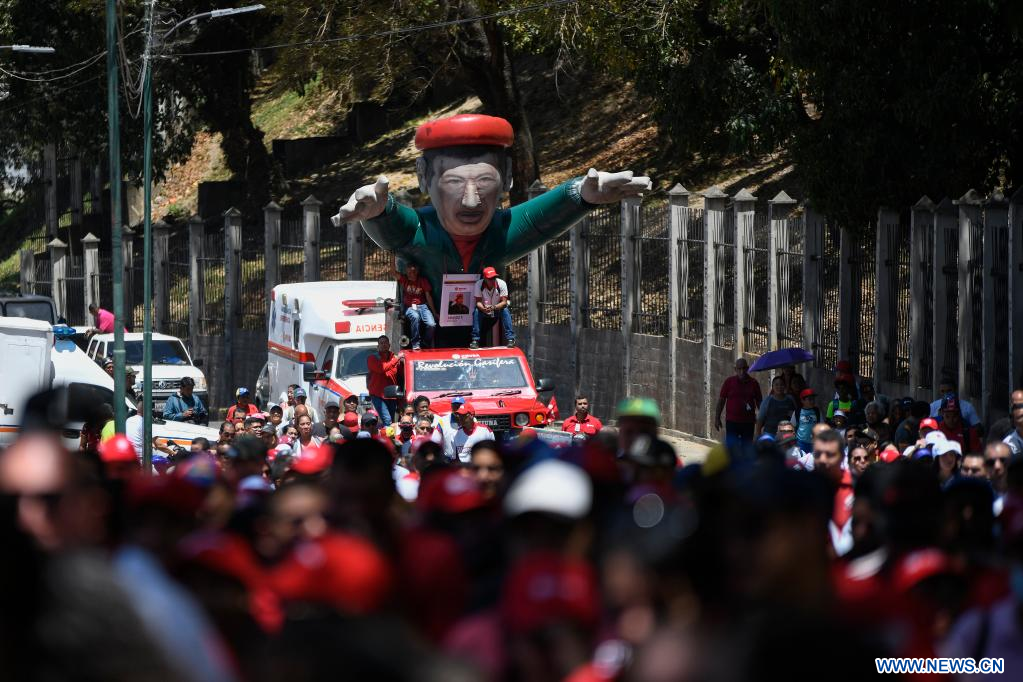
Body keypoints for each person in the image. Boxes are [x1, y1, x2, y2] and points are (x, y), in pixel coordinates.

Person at [333, 112, 650, 300]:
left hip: (487, 340)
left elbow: (544, 215)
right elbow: (395, 225)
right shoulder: (419, 231)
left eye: (484, 182)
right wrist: (378, 210)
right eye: (455, 183)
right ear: (424, 179)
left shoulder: (500, 233)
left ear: (508, 178)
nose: (471, 200)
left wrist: (583, 195)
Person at [813, 428, 853, 556]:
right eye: (818, 454)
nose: (823, 460)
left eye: (829, 455)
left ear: (842, 458)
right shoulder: (801, 489)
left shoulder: (857, 488)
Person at [714, 358, 762, 448]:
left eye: (744, 368)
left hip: (748, 422)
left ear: (747, 368)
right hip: (732, 422)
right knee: (731, 449)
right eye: (739, 369)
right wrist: (717, 418)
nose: (742, 371)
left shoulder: (754, 383)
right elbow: (721, 401)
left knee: (747, 449)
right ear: (735, 369)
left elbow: (760, 402)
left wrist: (762, 419)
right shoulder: (729, 382)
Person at [470, 266, 514, 349]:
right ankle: (475, 340)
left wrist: (494, 307)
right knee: (476, 311)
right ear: (484, 278)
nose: (492, 280)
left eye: (494, 277)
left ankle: (511, 339)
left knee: (505, 310)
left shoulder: (502, 283)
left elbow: (504, 302)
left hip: (497, 309)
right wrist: (483, 308)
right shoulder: (479, 284)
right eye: (490, 278)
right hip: (484, 310)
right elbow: (478, 302)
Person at [396, 261, 437, 350]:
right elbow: (393, 272)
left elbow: (428, 297)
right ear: (406, 273)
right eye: (409, 273)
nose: (411, 274)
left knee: (432, 325)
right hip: (409, 307)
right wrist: (392, 255)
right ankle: (416, 343)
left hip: (423, 306)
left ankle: (425, 342)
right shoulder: (405, 280)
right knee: (415, 316)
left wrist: (434, 312)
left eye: (413, 272)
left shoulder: (423, 281)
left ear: (417, 272)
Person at [367, 335, 401, 426]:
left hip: (392, 395)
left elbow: (400, 376)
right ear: (378, 346)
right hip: (378, 395)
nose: (383, 345)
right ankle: (389, 439)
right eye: (381, 343)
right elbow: (381, 369)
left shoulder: (394, 357)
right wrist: (395, 361)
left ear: (389, 345)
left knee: (392, 421)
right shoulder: (372, 358)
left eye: (385, 342)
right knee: (387, 420)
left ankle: (389, 438)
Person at [793, 388, 820, 453]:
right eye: (810, 399)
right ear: (802, 400)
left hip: (814, 443)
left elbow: (821, 425)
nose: (812, 401)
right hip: (801, 443)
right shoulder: (798, 412)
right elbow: (792, 426)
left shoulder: (817, 411)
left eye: (813, 399)